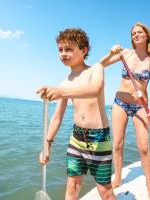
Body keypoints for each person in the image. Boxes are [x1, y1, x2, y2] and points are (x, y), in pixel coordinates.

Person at [37, 28, 115, 200]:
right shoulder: (65, 82)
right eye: (60, 50)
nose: (63, 54)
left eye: (69, 49)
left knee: (104, 189)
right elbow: (57, 116)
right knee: (72, 184)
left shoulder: (96, 68)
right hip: (76, 138)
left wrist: (60, 92)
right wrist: (47, 145)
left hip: (99, 138)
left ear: (84, 50)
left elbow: (95, 89)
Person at [100, 22, 150, 199]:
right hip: (120, 103)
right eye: (133, 33)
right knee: (117, 143)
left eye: (139, 32)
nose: (136, 35)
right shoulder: (125, 53)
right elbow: (101, 65)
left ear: (147, 35)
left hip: (141, 106)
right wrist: (111, 53)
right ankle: (118, 178)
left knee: (143, 147)